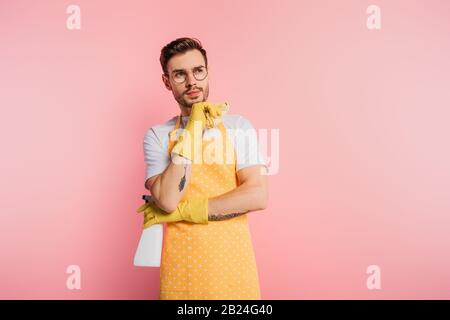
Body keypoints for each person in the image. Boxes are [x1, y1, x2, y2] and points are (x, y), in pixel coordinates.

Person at [137, 37, 268, 300]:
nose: (191, 81)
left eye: (198, 71)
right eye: (180, 75)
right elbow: (168, 198)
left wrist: (185, 211)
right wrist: (193, 128)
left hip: (234, 265)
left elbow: (257, 195)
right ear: (167, 82)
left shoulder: (237, 127)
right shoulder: (157, 135)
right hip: (183, 269)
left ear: (207, 72)